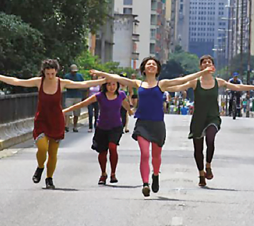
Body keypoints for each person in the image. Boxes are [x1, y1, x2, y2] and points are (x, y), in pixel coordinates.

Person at [90, 57, 214, 197]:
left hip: (157, 125)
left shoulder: (162, 84)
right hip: (142, 124)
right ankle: (145, 183)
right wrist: (102, 73)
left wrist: (202, 73)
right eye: (148, 64)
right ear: (144, 69)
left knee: (156, 156)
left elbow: (183, 80)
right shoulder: (138, 83)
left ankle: (155, 174)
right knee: (145, 154)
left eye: (154, 64)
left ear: (157, 69)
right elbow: (118, 78)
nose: (151, 66)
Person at [0, 59, 105, 189]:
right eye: (47, 73)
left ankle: (49, 178)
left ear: (56, 72)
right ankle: (40, 167)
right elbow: (17, 81)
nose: (50, 76)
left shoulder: (61, 83)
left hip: (56, 120)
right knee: (42, 147)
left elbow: (83, 84)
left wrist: (103, 80)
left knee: (53, 153)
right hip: (42, 120)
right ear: (43, 72)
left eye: (52, 73)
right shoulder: (39, 81)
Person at [167, 55, 254, 187]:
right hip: (198, 119)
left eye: (209, 62)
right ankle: (201, 174)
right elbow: (179, 87)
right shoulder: (194, 82)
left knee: (210, 138)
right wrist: (161, 87)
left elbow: (237, 87)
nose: (207, 64)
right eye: (204, 62)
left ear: (213, 66)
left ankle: (208, 165)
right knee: (198, 149)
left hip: (213, 117)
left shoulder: (218, 81)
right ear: (200, 66)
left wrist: (252, 87)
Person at [63, 80, 133, 185]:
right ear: (105, 86)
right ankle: (103, 173)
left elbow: (126, 105)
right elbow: (83, 103)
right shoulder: (100, 96)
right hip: (102, 127)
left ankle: (113, 173)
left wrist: (131, 111)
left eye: (114, 84)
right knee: (102, 152)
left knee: (113, 147)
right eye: (109, 84)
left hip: (116, 127)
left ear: (117, 85)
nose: (111, 87)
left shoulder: (121, 95)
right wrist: (66, 110)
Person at [64, 64, 85, 132]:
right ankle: (66, 125)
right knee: (67, 112)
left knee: (76, 113)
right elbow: (64, 85)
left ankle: (75, 126)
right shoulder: (67, 76)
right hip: (69, 96)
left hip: (78, 95)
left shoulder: (79, 76)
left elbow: (83, 84)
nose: (74, 72)